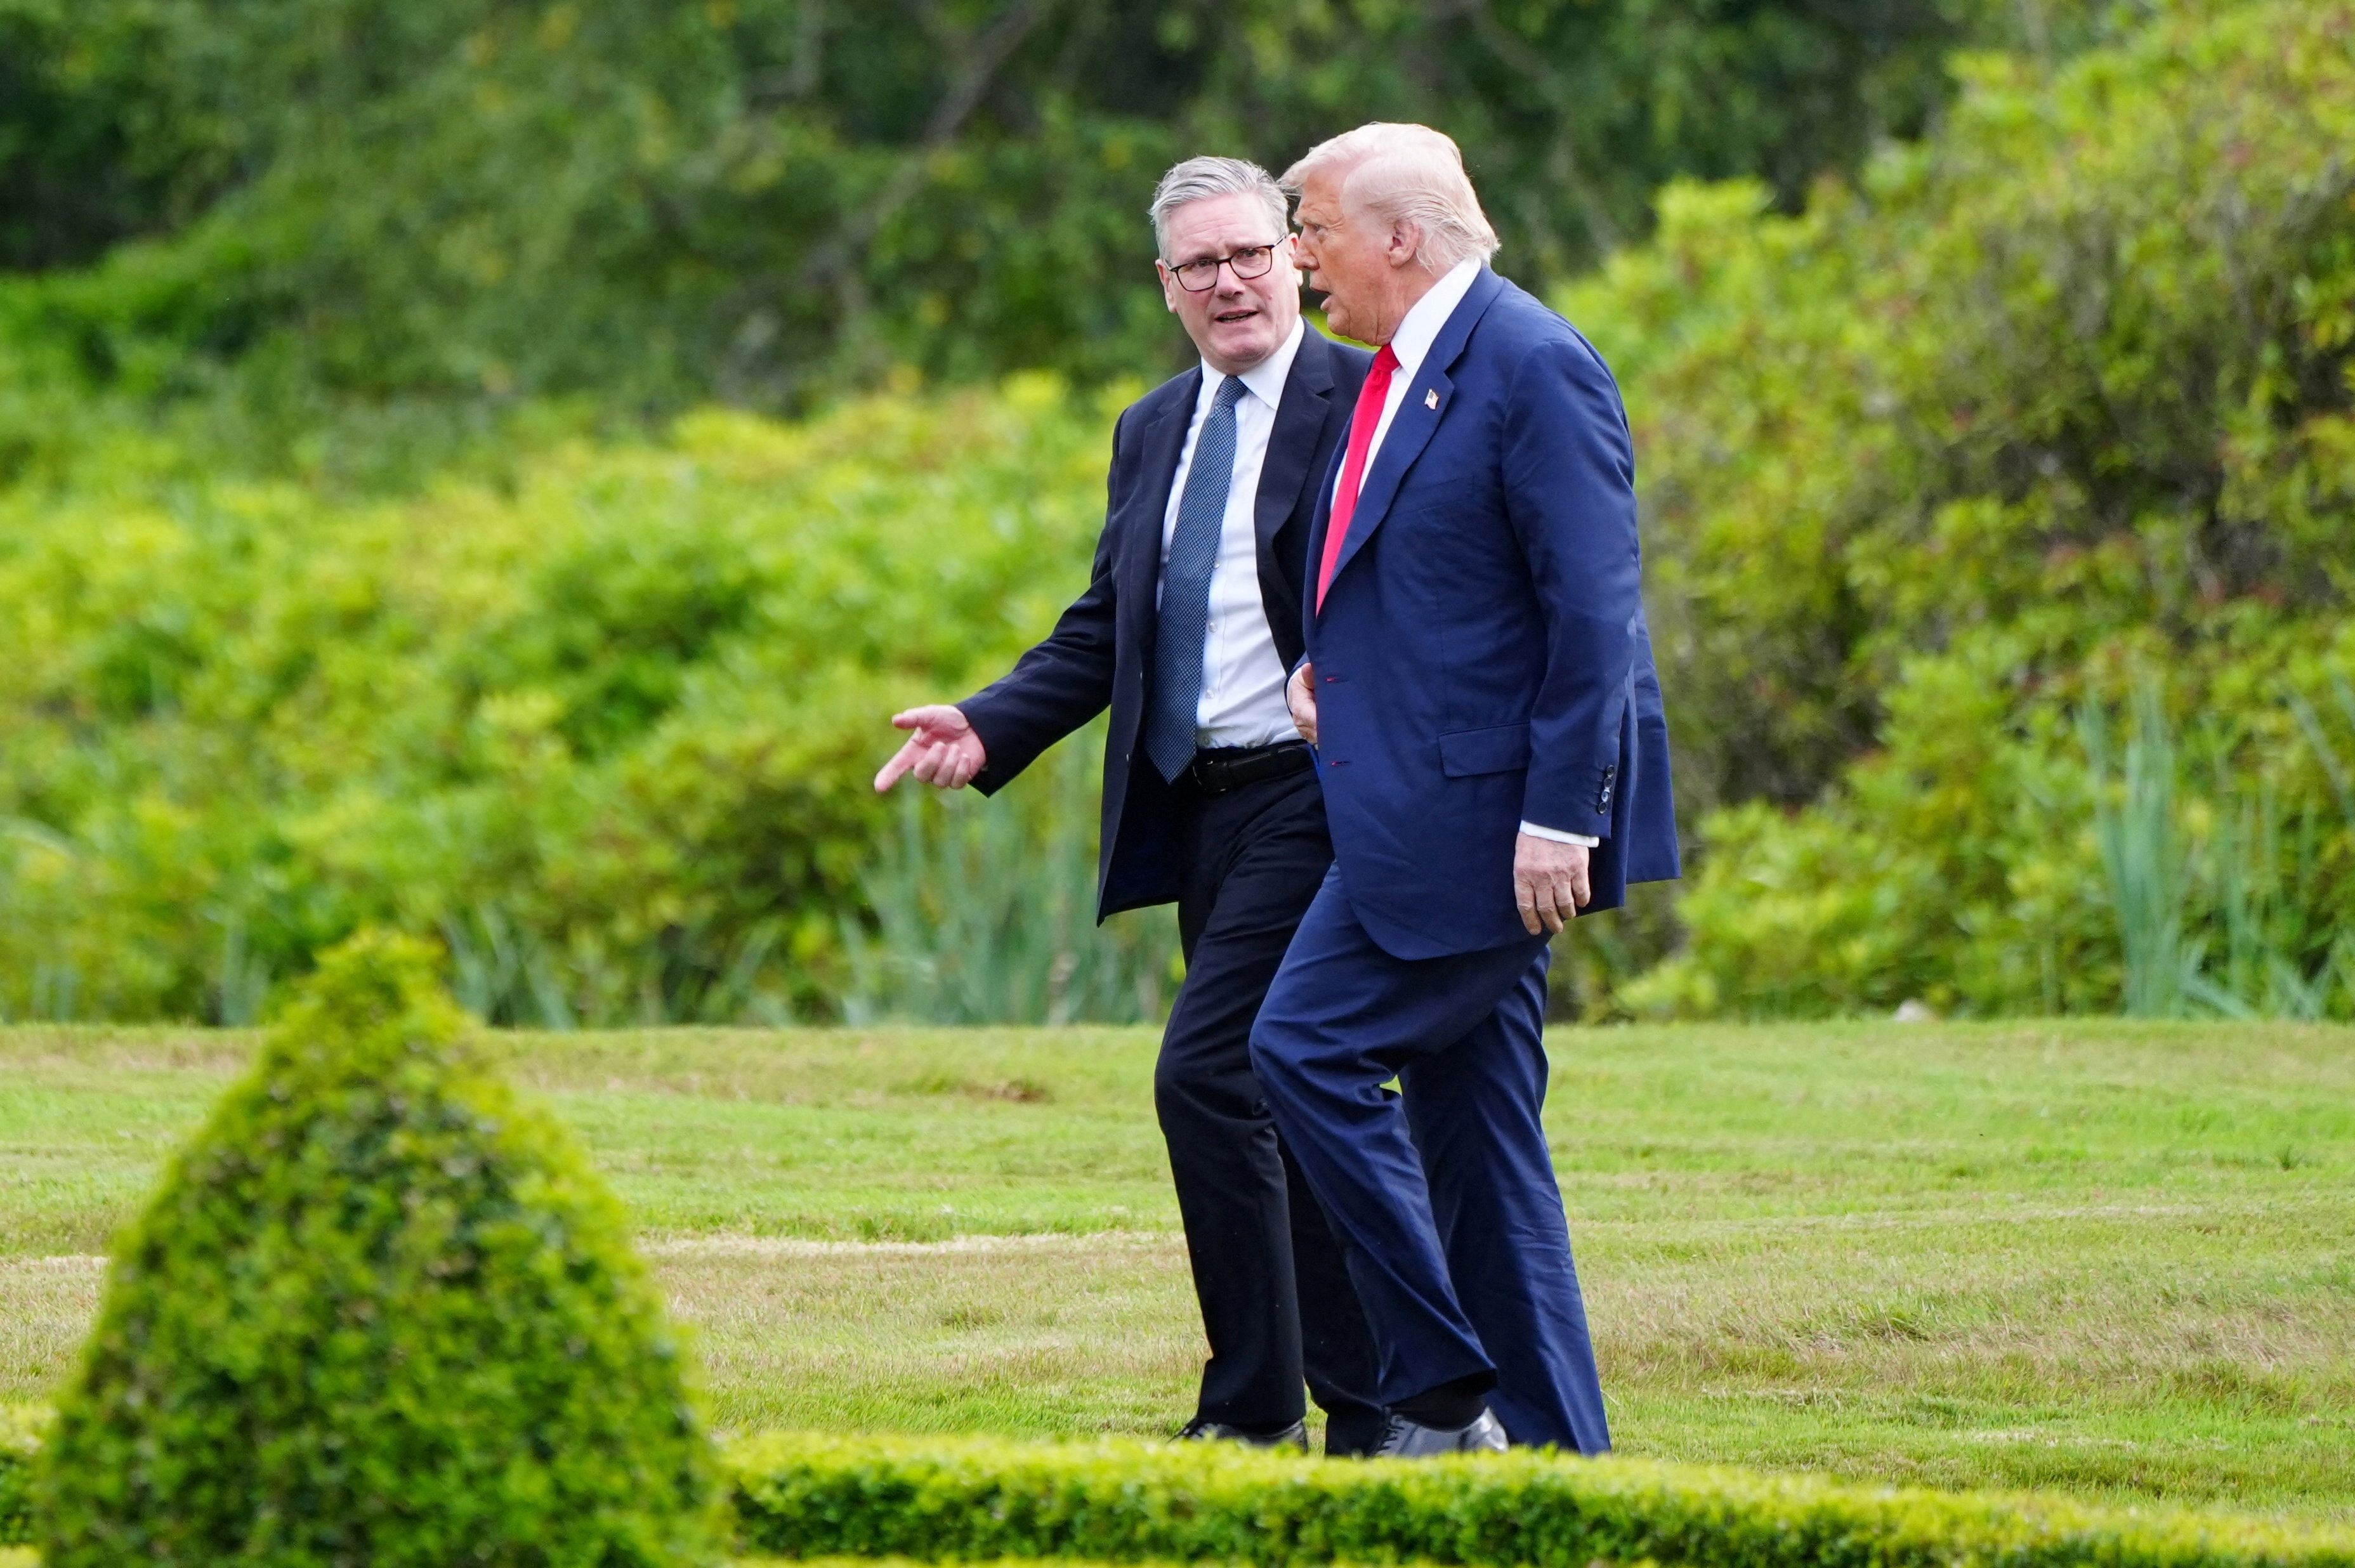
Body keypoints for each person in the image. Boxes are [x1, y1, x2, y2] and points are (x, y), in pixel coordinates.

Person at [874, 155, 1385, 1455]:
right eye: (1199, 265)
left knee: (1208, 1075)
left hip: (1320, 798)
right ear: (1165, 285)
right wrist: (989, 720)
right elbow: (1110, 624)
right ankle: (1365, 1406)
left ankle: (1265, 1409)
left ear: (1292, 256)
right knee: (1282, 1092)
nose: (1230, 284)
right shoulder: (1153, 427)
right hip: (1198, 808)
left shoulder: (1364, 399)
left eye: (1250, 254)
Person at [1249, 122, 1680, 1459]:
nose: (1298, 259)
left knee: (1301, 1049)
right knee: (1483, 1151)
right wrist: (1328, 668)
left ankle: (1439, 1386)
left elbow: (1592, 608)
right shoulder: (1398, 369)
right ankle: (1554, 1458)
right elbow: (1431, 581)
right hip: (1412, 803)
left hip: (1489, 829)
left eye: (1312, 230)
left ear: (1397, 236)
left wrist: (1562, 814)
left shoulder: (1533, 361)